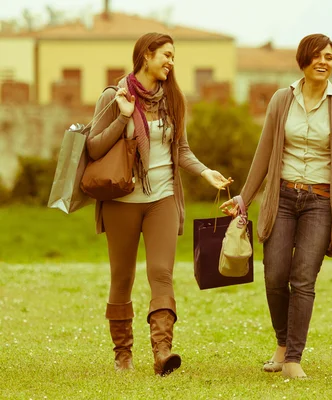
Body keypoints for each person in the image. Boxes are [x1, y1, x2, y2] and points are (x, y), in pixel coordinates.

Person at [219, 33, 332, 379]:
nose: (324, 62)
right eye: (317, 56)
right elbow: (264, 153)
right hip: (282, 197)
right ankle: (282, 343)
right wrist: (244, 199)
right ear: (303, 61)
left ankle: (293, 357)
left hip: (320, 202)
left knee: (303, 278)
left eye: (329, 57)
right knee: (275, 276)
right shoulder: (282, 101)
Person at [87, 32, 232, 375]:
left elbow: (180, 150)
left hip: (162, 198)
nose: (170, 62)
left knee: (161, 273)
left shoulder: (173, 99)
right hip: (121, 200)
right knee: (121, 277)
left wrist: (204, 172)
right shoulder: (114, 96)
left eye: (173, 56)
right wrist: (123, 117)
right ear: (146, 55)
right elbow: (93, 148)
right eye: (166, 55)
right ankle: (123, 355)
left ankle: (162, 351)